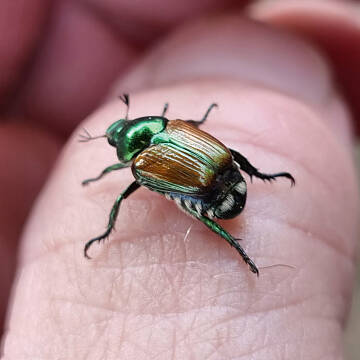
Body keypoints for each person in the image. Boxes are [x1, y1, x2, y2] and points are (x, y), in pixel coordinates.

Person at [1, 0, 359, 358]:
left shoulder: (141, 167)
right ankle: (244, 217)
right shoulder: (171, 128)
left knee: (159, 203)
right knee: (223, 162)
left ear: (123, 147)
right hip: (224, 183)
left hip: (217, 197)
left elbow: (124, 170)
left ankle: (238, 231)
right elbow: (205, 142)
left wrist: (102, 174)